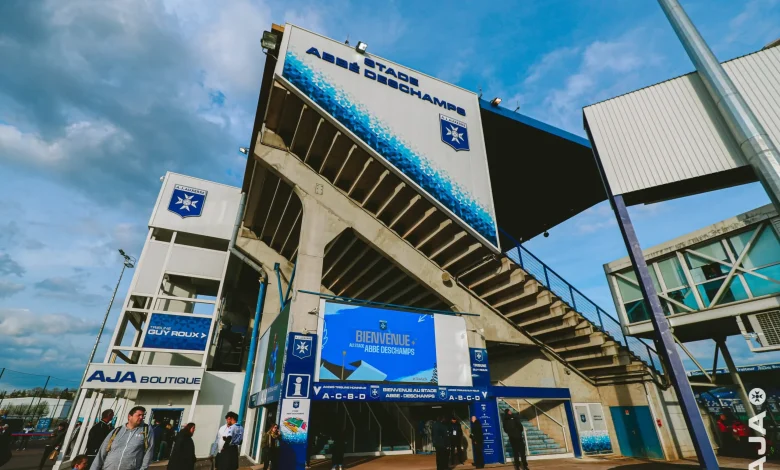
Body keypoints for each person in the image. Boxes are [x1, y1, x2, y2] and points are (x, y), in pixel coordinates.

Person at [90, 406, 154, 470]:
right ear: (129, 416)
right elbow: (102, 452)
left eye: (143, 415)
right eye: (139, 415)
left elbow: (149, 452)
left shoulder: (146, 431)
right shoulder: (116, 431)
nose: (141, 417)